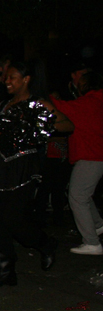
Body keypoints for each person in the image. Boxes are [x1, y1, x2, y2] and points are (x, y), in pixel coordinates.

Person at [0, 61, 73, 287]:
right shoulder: (5, 105)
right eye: (6, 77)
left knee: (15, 220)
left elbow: (68, 125)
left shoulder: (39, 104)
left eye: (12, 77)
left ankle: (45, 243)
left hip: (24, 168)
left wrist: (42, 124)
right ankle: (7, 272)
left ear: (26, 79)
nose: (6, 81)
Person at [50, 71, 103, 255]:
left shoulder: (90, 102)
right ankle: (96, 226)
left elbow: (64, 108)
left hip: (91, 155)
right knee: (84, 195)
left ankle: (92, 242)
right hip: (96, 155)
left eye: (79, 81)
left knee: (77, 196)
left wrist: (47, 97)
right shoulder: (98, 100)